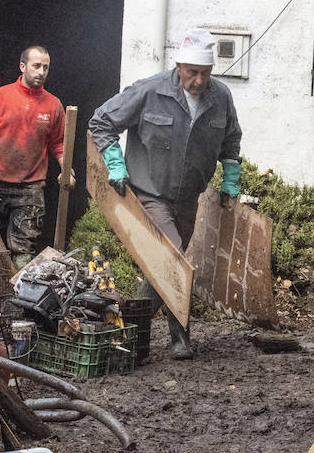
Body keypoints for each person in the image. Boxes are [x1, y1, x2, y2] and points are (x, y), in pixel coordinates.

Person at [88, 28, 243, 360]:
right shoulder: (149, 91)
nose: (199, 80)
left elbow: (231, 140)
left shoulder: (221, 98)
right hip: (150, 194)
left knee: (161, 267)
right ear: (179, 65)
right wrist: (114, 162)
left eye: (205, 73)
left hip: (189, 198)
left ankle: (131, 336)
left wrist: (231, 178)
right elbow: (101, 121)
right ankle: (180, 338)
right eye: (192, 72)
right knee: (175, 261)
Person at [0, 46, 71, 268]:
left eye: (46, 68)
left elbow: (59, 143)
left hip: (30, 187)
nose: (41, 72)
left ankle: (18, 296)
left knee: (24, 248)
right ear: (23, 66)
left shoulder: (53, 105)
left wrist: (65, 169)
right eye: (36, 66)